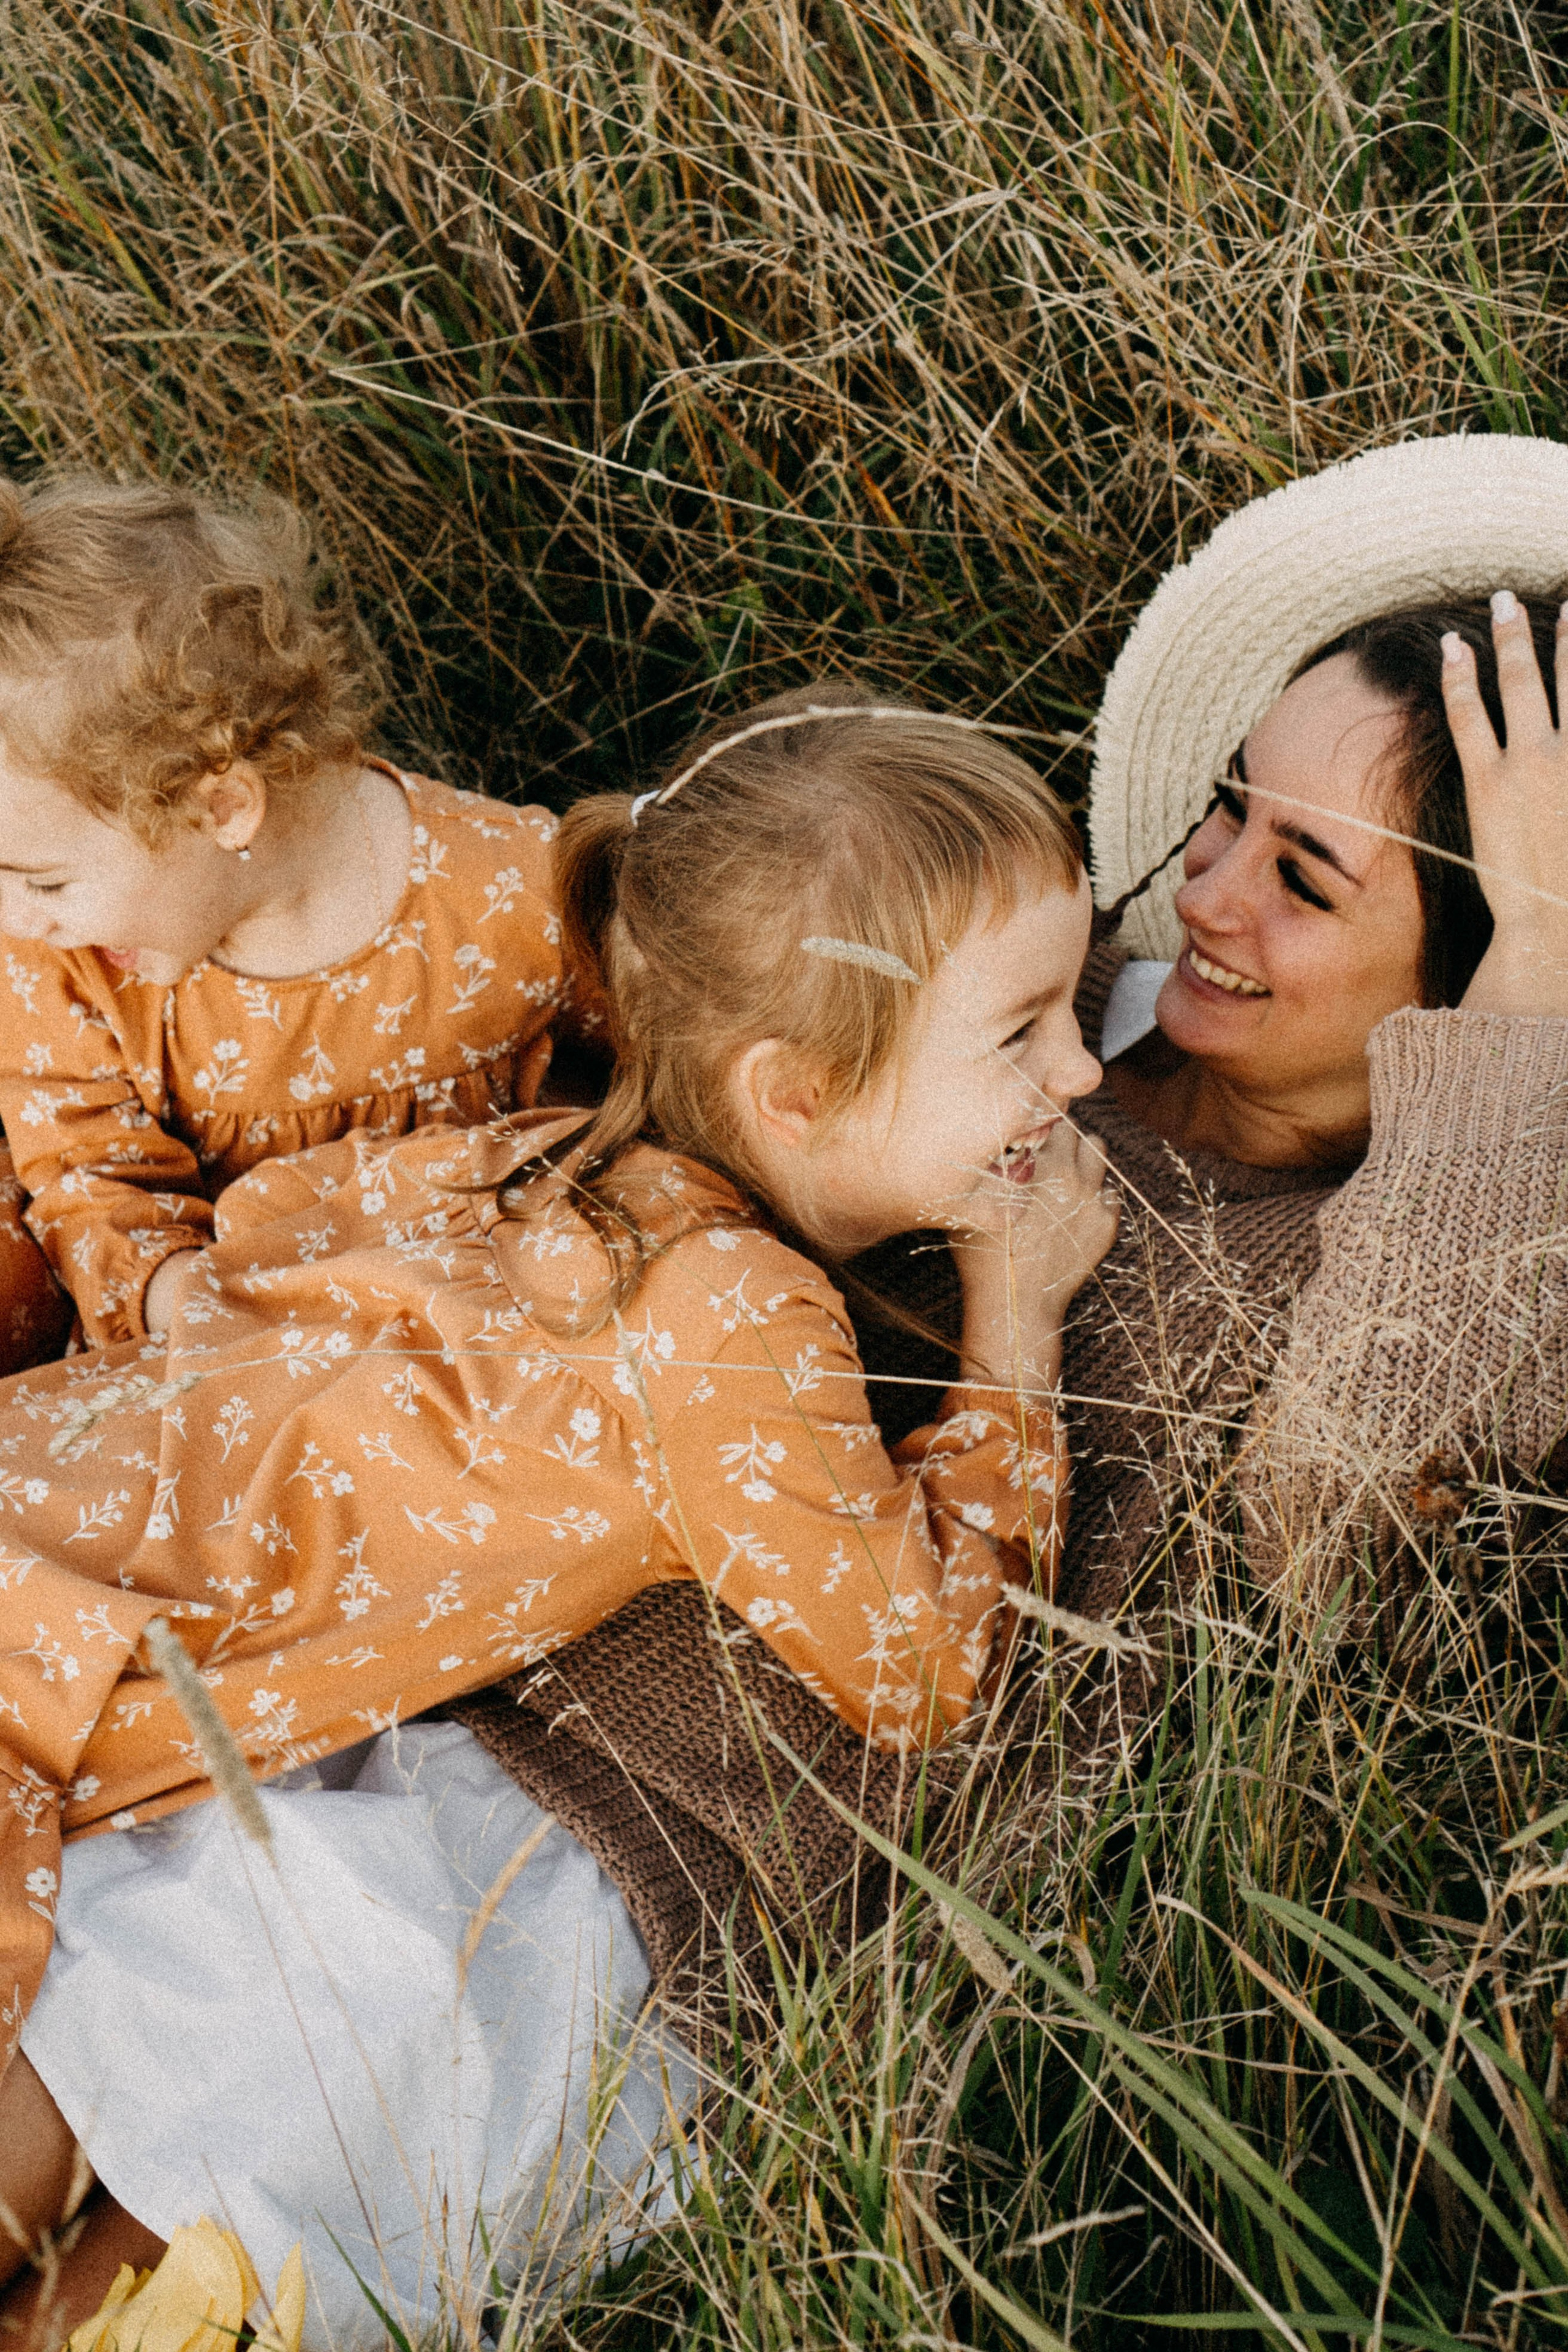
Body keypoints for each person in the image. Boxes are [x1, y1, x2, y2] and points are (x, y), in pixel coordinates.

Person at [0, 688, 1117, 2350]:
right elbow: (923, 1674)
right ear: (796, 1093)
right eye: (1023, 1030)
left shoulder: (497, 1150)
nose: (1084, 1071)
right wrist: (1013, 1321)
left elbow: (252, 1240)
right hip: (55, 1667)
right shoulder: (732, 1319)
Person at [448, 432, 1568, 2027]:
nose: (1210, 891)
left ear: (1483, 993)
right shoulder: (1059, 979)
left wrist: (1544, 957)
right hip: (437, 1614)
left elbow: (1335, 1519)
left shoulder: (1426, 1270)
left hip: (677, 1875)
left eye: (1304, 880)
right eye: (1232, 806)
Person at [0, 473, 586, 1366]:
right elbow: (87, 1178)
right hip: (221, 1347)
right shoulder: (73, 964)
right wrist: (194, 1303)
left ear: (227, 807)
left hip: (472, 1328)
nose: (19, 919)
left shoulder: (513, 894)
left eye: (44, 882)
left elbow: (660, 1086)